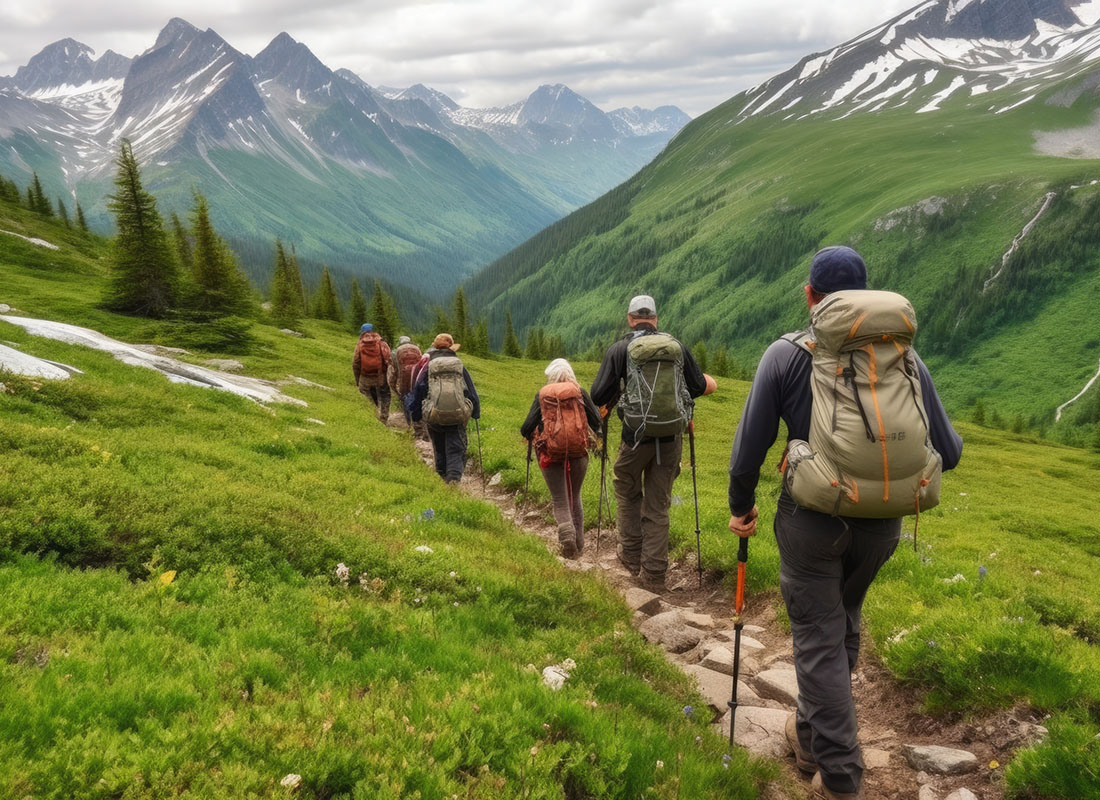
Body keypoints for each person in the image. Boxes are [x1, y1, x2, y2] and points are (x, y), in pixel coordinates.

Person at [727, 246, 963, 800]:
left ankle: (838, 775)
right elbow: (947, 452)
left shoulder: (786, 355)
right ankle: (809, 735)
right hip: (882, 524)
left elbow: (747, 451)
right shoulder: (904, 358)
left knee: (818, 638)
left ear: (810, 297)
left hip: (811, 522)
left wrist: (741, 507)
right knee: (842, 621)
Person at [590, 295, 708, 590]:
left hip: (634, 439)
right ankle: (654, 573)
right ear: (656, 318)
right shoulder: (676, 347)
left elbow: (597, 395)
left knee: (628, 492)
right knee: (659, 506)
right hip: (670, 440)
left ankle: (630, 557)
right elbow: (696, 387)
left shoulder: (620, 349)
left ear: (630, 319)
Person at [520, 359, 601, 558]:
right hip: (578, 452)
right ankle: (580, 544)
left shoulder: (543, 394)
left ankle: (567, 541)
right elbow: (597, 420)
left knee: (560, 499)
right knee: (576, 496)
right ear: (570, 374)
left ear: (551, 376)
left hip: (550, 453)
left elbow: (526, 427)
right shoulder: (579, 392)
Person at [411, 333, 480, 484]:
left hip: (434, 415)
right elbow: (471, 390)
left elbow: (418, 388)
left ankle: (441, 477)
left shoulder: (428, 364)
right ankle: (454, 480)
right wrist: (475, 412)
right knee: (456, 448)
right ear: (451, 348)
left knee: (439, 447)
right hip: (456, 416)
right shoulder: (457, 364)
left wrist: (416, 414)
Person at [352, 323, 392, 422]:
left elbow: (356, 363)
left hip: (365, 378)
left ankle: (373, 416)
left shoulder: (360, 344)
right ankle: (384, 417)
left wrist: (358, 380)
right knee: (385, 394)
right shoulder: (381, 342)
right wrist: (387, 375)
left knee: (366, 395)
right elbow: (388, 358)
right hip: (380, 376)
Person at [390, 335, 426, 438]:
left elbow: (395, 370)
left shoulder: (396, 352)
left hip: (404, 380)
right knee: (419, 400)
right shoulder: (417, 349)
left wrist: (393, 385)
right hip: (417, 379)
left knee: (406, 401)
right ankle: (423, 428)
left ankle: (412, 427)